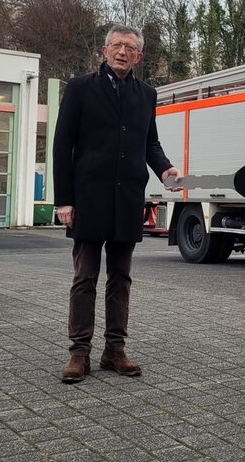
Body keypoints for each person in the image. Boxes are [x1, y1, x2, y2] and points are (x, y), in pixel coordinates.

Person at [53, 24, 180, 383]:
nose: (122, 52)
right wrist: (64, 200)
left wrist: (165, 169)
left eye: (130, 48)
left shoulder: (147, 94)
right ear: (105, 50)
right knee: (85, 278)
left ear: (139, 56)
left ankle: (114, 350)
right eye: (117, 45)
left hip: (127, 199)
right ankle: (79, 353)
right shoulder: (80, 88)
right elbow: (62, 145)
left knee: (121, 278)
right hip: (88, 199)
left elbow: (150, 142)